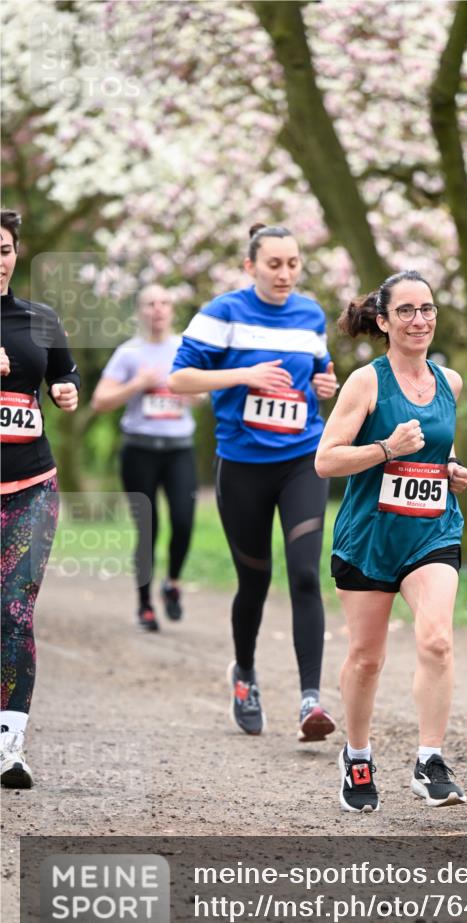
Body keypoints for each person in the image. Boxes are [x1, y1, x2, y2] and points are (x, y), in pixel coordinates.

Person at [169, 224, 339, 741]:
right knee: (255, 581)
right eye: (274, 264)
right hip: (242, 464)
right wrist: (243, 375)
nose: (285, 273)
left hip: (302, 459)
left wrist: (325, 384)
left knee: (305, 575)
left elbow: (319, 373)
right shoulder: (223, 313)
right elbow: (179, 378)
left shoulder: (310, 315)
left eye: (293, 264)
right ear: (250, 266)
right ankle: (244, 674)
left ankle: (311, 700)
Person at [315, 270, 467, 812]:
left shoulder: (450, 382)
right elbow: (326, 460)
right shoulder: (366, 383)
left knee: (437, 640)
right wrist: (385, 448)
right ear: (383, 321)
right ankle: (357, 755)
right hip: (370, 537)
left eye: (427, 309)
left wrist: (451, 469)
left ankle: (430, 761)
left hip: (432, 531)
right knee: (366, 658)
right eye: (405, 310)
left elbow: (439, 448)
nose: (419, 320)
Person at [0, 209, 80, 788]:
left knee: (14, 608)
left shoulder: (39, 318)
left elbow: (63, 376)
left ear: (16, 253)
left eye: (3, 250)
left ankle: (9, 747)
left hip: (30, 486)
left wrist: (65, 389)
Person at [91, 284, 198, 631]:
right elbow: (100, 401)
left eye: (165, 302)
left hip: (179, 449)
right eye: (150, 303)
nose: (158, 309)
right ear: (140, 311)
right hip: (139, 451)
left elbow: (204, 393)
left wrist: (191, 392)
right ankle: (144, 604)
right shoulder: (129, 353)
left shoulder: (184, 348)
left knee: (183, 521)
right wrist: (137, 384)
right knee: (148, 528)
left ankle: (173, 583)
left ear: (172, 310)